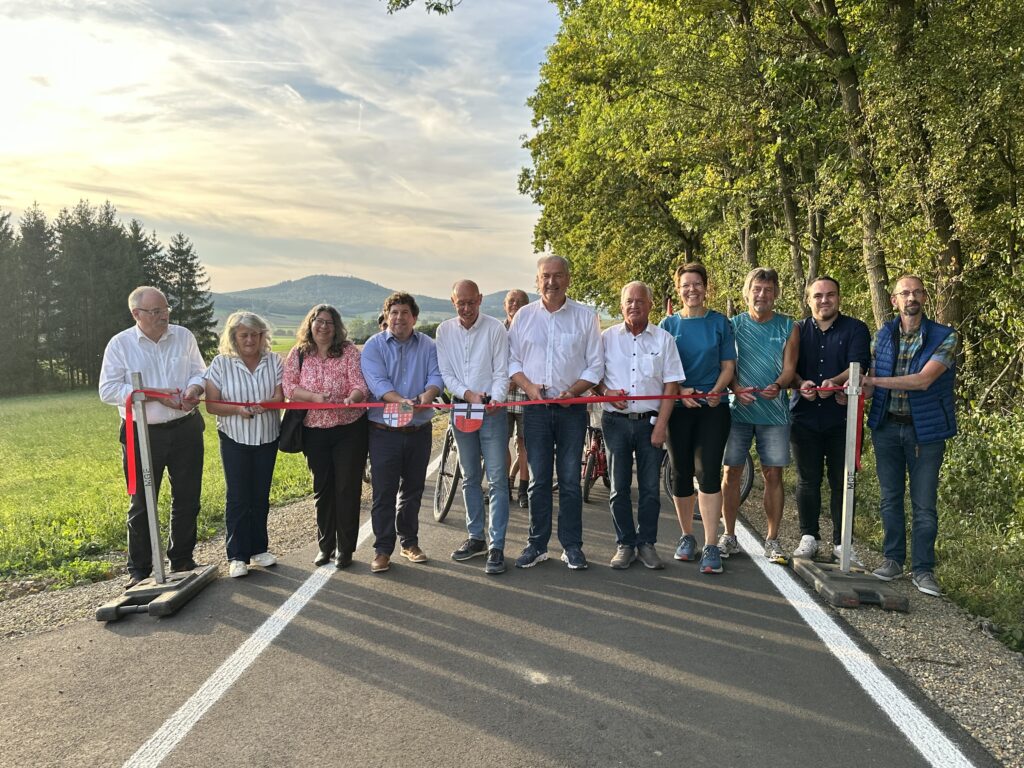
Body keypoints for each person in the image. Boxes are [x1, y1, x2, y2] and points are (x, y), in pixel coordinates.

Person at [98, 286, 206, 588]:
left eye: (165, 309)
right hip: (142, 433)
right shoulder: (120, 345)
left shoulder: (183, 336)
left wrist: (194, 389)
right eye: (156, 312)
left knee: (187, 497)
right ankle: (140, 569)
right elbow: (107, 391)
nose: (163, 316)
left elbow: (201, 372)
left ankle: (182, 559)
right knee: (143, 501)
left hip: (186, 427)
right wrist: (154, 397)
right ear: (137, 314)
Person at [862, 275, 957, 597]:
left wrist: (874, 384)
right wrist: (854, 387)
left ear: (925, 297)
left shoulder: (944, 337)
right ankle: (892, 560)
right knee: (890, 499)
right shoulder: (883, 335)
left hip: (924, 432)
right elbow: (870, 375)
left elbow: (923, 381)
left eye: (917, 292)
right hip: (887, 427)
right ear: (894, 300)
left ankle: (923, 569)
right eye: (905, 292)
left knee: (924, 505)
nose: (911, 297)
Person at [508, 255, 603, 569]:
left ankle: (572, 546)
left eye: (558, 275)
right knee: (537, 481)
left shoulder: (585, 317)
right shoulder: (523, 316)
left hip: (571, 410)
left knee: (570, 481)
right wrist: (530, 387)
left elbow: (595, 366)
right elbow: (513, 362)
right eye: (545, 276)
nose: (551, 282)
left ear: (568, 278)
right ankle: (536, 545)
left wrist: (573, 392)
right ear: (537, 280)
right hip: (534, 409)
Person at [597, 282, 684, 570]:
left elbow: (671, 386)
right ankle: (625, 543)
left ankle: (646, 543)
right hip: (615, 423)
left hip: (650, 424)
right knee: (619, 488)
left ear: (650, 305)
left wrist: (662, 425)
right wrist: (605, 392)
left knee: (649, 489)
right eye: (628, 301)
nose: (634, 305)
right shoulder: (606, 339)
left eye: (640, 301)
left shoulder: (664, 340)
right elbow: (592, 375)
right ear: (621, 306)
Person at [659, 263, 736, 574]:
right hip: (678, 408)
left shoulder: (720, 323)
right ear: (679, 290)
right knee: (680, 473)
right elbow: (661, 370)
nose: (692, 290)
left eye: (697, 284)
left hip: (713, 408)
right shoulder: (667, 325)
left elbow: (728, 366)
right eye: (685, 285)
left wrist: (716, 391)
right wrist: (682, 390)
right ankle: (686, 536)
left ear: (706, 287)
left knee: (707, 473)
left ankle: (711, 545)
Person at [361, 292, 444, 573]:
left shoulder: (429, 345)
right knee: (384, 492)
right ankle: (382, 549)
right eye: (394, 312)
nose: (399, 318)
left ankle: (409, 542)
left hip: (418, 429)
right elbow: (377, 382)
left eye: (405, 312)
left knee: (413, 490)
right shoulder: (373, 347)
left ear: (414, 317)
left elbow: (437, 376)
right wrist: (401, 401)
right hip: (384, 432)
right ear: (386, 317)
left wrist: (427, 395)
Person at [790, 277, 871, 561]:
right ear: (808, 299)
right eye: (818, 296)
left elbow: (859, 366)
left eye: (830, 295)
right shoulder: (796, 330)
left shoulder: (857, 328)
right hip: (804, 417)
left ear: (838, 298)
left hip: (842, 418)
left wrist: (832, 382)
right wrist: (802, 383)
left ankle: (842, 544)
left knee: (844, 480)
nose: (824, 300)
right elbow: (789, 369)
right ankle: (809, 536)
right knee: (807, 480)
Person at [283, 305, 369, 569]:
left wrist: (351, 398)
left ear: (337, 327)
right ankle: (325, 546)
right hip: (314, 431)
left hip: (349, 429)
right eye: (318, 321)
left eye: (329, 323)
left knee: (347, 488)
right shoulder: (299, 354)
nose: (323, 327)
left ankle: (345, 549)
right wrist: (314, 398)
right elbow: (289, 386)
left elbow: (360, 385)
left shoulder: (348, 352)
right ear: (310, 324)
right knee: (323, 489)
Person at [723, 267, 798, 564]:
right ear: (747, 292)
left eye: (768, 290)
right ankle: (729, 535)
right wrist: (735, 387)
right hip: (736, 410)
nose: (762, 295)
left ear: (776, 294)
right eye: (757, 289)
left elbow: (791, 367)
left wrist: (779, 384)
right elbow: (726, 366)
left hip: (774, 413)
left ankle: (772, 539)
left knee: (773, 474)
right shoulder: (733, 326)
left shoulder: (789, 326)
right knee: (731, 473)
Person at [436, 280, 511, 574]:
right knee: (468, 476)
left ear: (480, 300)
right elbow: (446, 373)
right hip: (462, 408)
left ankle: (497, 545)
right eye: (460, 304)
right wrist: (469, 395)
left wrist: (496, 398)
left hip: (491, 411)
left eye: (471, 302)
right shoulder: (444, 331)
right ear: (453, 302)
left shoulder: (495, 329)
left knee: (496, 478)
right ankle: (475, 536)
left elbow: (502, 371)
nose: (466, 309)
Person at [204, 312, 284, 578]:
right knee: (238, 496)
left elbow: (280, 396)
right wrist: (238, 410)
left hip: (267, 437)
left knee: (260, 496)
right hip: (234, 437)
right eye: (244, 335)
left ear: (263, 336)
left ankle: (260, 549)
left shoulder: (274, 361)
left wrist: (268, 404)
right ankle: (237, 555)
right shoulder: (221, 363)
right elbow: (212, 404)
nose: (250, 340)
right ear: (234, 337)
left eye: (255, 334)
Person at [503, 289, 530, 509]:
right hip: (501, 396)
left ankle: (523, 488)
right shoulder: (497, 330)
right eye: (511, 301)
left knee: (524, 444)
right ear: (505, 305)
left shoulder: (531, 328)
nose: (515, 305)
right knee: (501, 444)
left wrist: (519, 379)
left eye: (520, 302)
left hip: (524, 395)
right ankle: (503, 487)